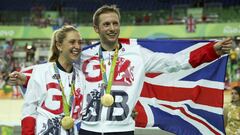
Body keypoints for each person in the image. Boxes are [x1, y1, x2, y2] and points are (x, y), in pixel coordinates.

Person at [9, 5, 232, 135]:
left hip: (122, 130)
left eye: (115, 23)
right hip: (88, 130)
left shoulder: (138, 54)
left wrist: (210, 51)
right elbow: (55, 70)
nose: (112, 28)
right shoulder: (84, 55)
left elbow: (174, 62)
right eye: (106, 24)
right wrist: (25, 76)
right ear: (96, 28)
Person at [11, 25, 85, 135]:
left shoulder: (81, 76)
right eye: (72, 42)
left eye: (79, 42)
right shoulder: (41, 71)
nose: (77, 46)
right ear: (59, 45)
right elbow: (29, 110)